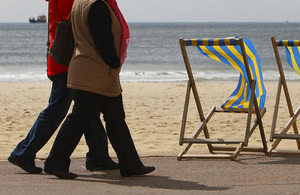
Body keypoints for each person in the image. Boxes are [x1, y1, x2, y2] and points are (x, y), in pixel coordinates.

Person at [43, 0, 155, 179]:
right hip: (96, 71)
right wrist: (114, 62)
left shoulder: (81, 3)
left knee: (115, 117)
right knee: (80, 118)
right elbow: (102, 38)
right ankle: (55, 161)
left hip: (90, 68)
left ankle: (131, 164)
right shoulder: (96, 5)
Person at [8, 0, 118, 174]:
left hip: (64, 59)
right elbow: (77, 19)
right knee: (61, 109)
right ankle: (23, 152)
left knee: (86, 108)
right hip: (67, 61)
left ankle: (98, 156)